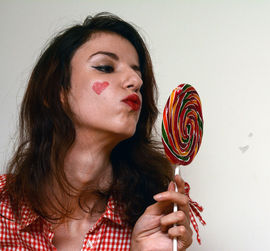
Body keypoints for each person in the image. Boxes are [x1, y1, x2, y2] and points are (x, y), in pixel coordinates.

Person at [0, 12, 193, 250]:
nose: (135, 80)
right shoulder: (3, 209)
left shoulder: (153, 220)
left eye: (137, 73)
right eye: (105, 67)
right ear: (56, 92)